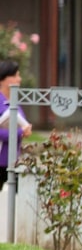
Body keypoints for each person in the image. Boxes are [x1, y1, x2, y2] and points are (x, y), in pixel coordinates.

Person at [0, 60, 33, 192]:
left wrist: (26, 130)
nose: (19, 79)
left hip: (13, 160)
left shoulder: (14, 103)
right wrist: (20, 132)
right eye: (14, 76)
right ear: (3, 79)